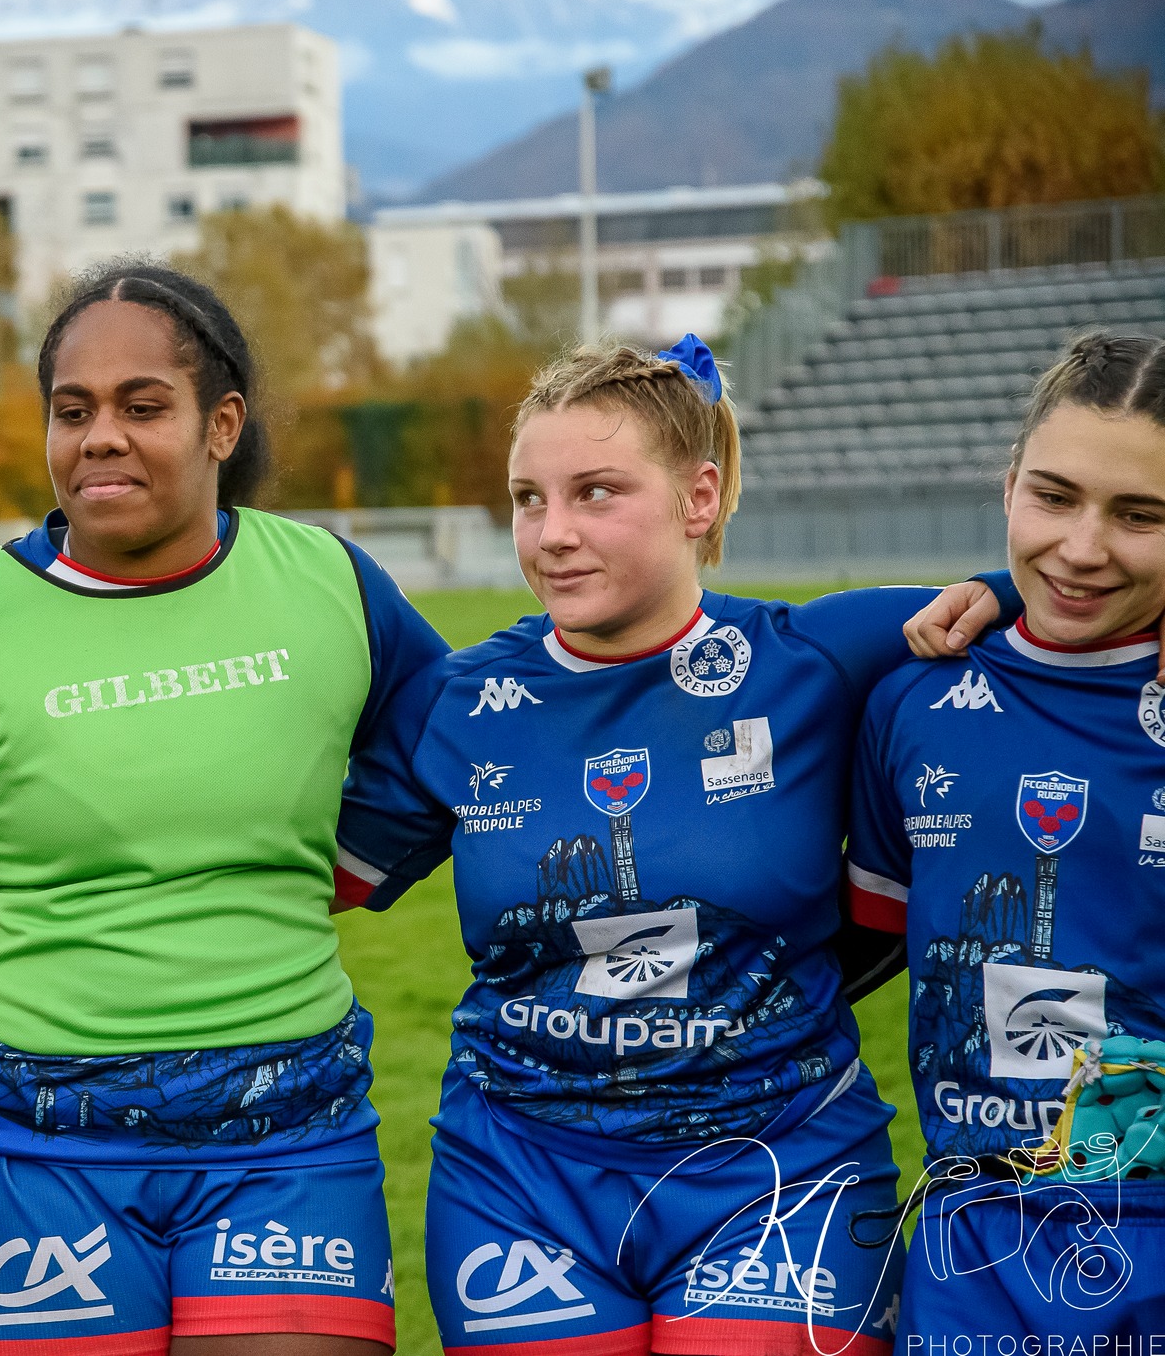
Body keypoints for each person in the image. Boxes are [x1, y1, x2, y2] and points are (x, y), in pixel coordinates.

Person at [334, 336, 1025, 1356]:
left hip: (778, 1164)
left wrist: (999, 591)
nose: (552, 533)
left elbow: (1042, 593)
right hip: (519, 1174)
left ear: (697, 499)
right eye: (529, 498)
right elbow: (304, 878)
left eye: (596, 493)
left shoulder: (813, 657)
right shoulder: (457, 699)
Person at [0, 263, 448, 1354]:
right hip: (35, 1148)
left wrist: (341, 865)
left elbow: (458, 741)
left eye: (141, 406)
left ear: (222, 424)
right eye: (72, 412)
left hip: (288, 1134)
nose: (100, 436)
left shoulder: (331, 584)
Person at [847, 332, 1165, 1342]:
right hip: (968, 1237)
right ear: (1006, 483)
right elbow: (856, 943)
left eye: (1138, 515)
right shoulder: (912, 699)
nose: (1079, 547)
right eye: (1052, 495)